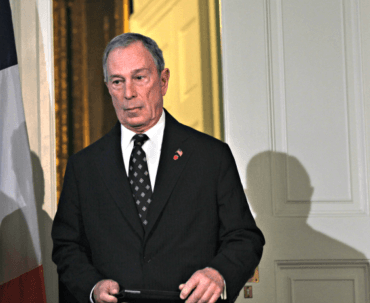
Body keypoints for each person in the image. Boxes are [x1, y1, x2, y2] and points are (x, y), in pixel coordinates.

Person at [51, 33, 265, 303]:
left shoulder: (210, 156)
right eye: (118, 81)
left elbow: (244, 237)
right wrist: (92, 287)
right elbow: (67, 246)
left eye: (139, 78)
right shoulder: (85, 166)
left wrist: (218, 274)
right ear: (108, 87)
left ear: (163, 81)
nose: (128, 93)